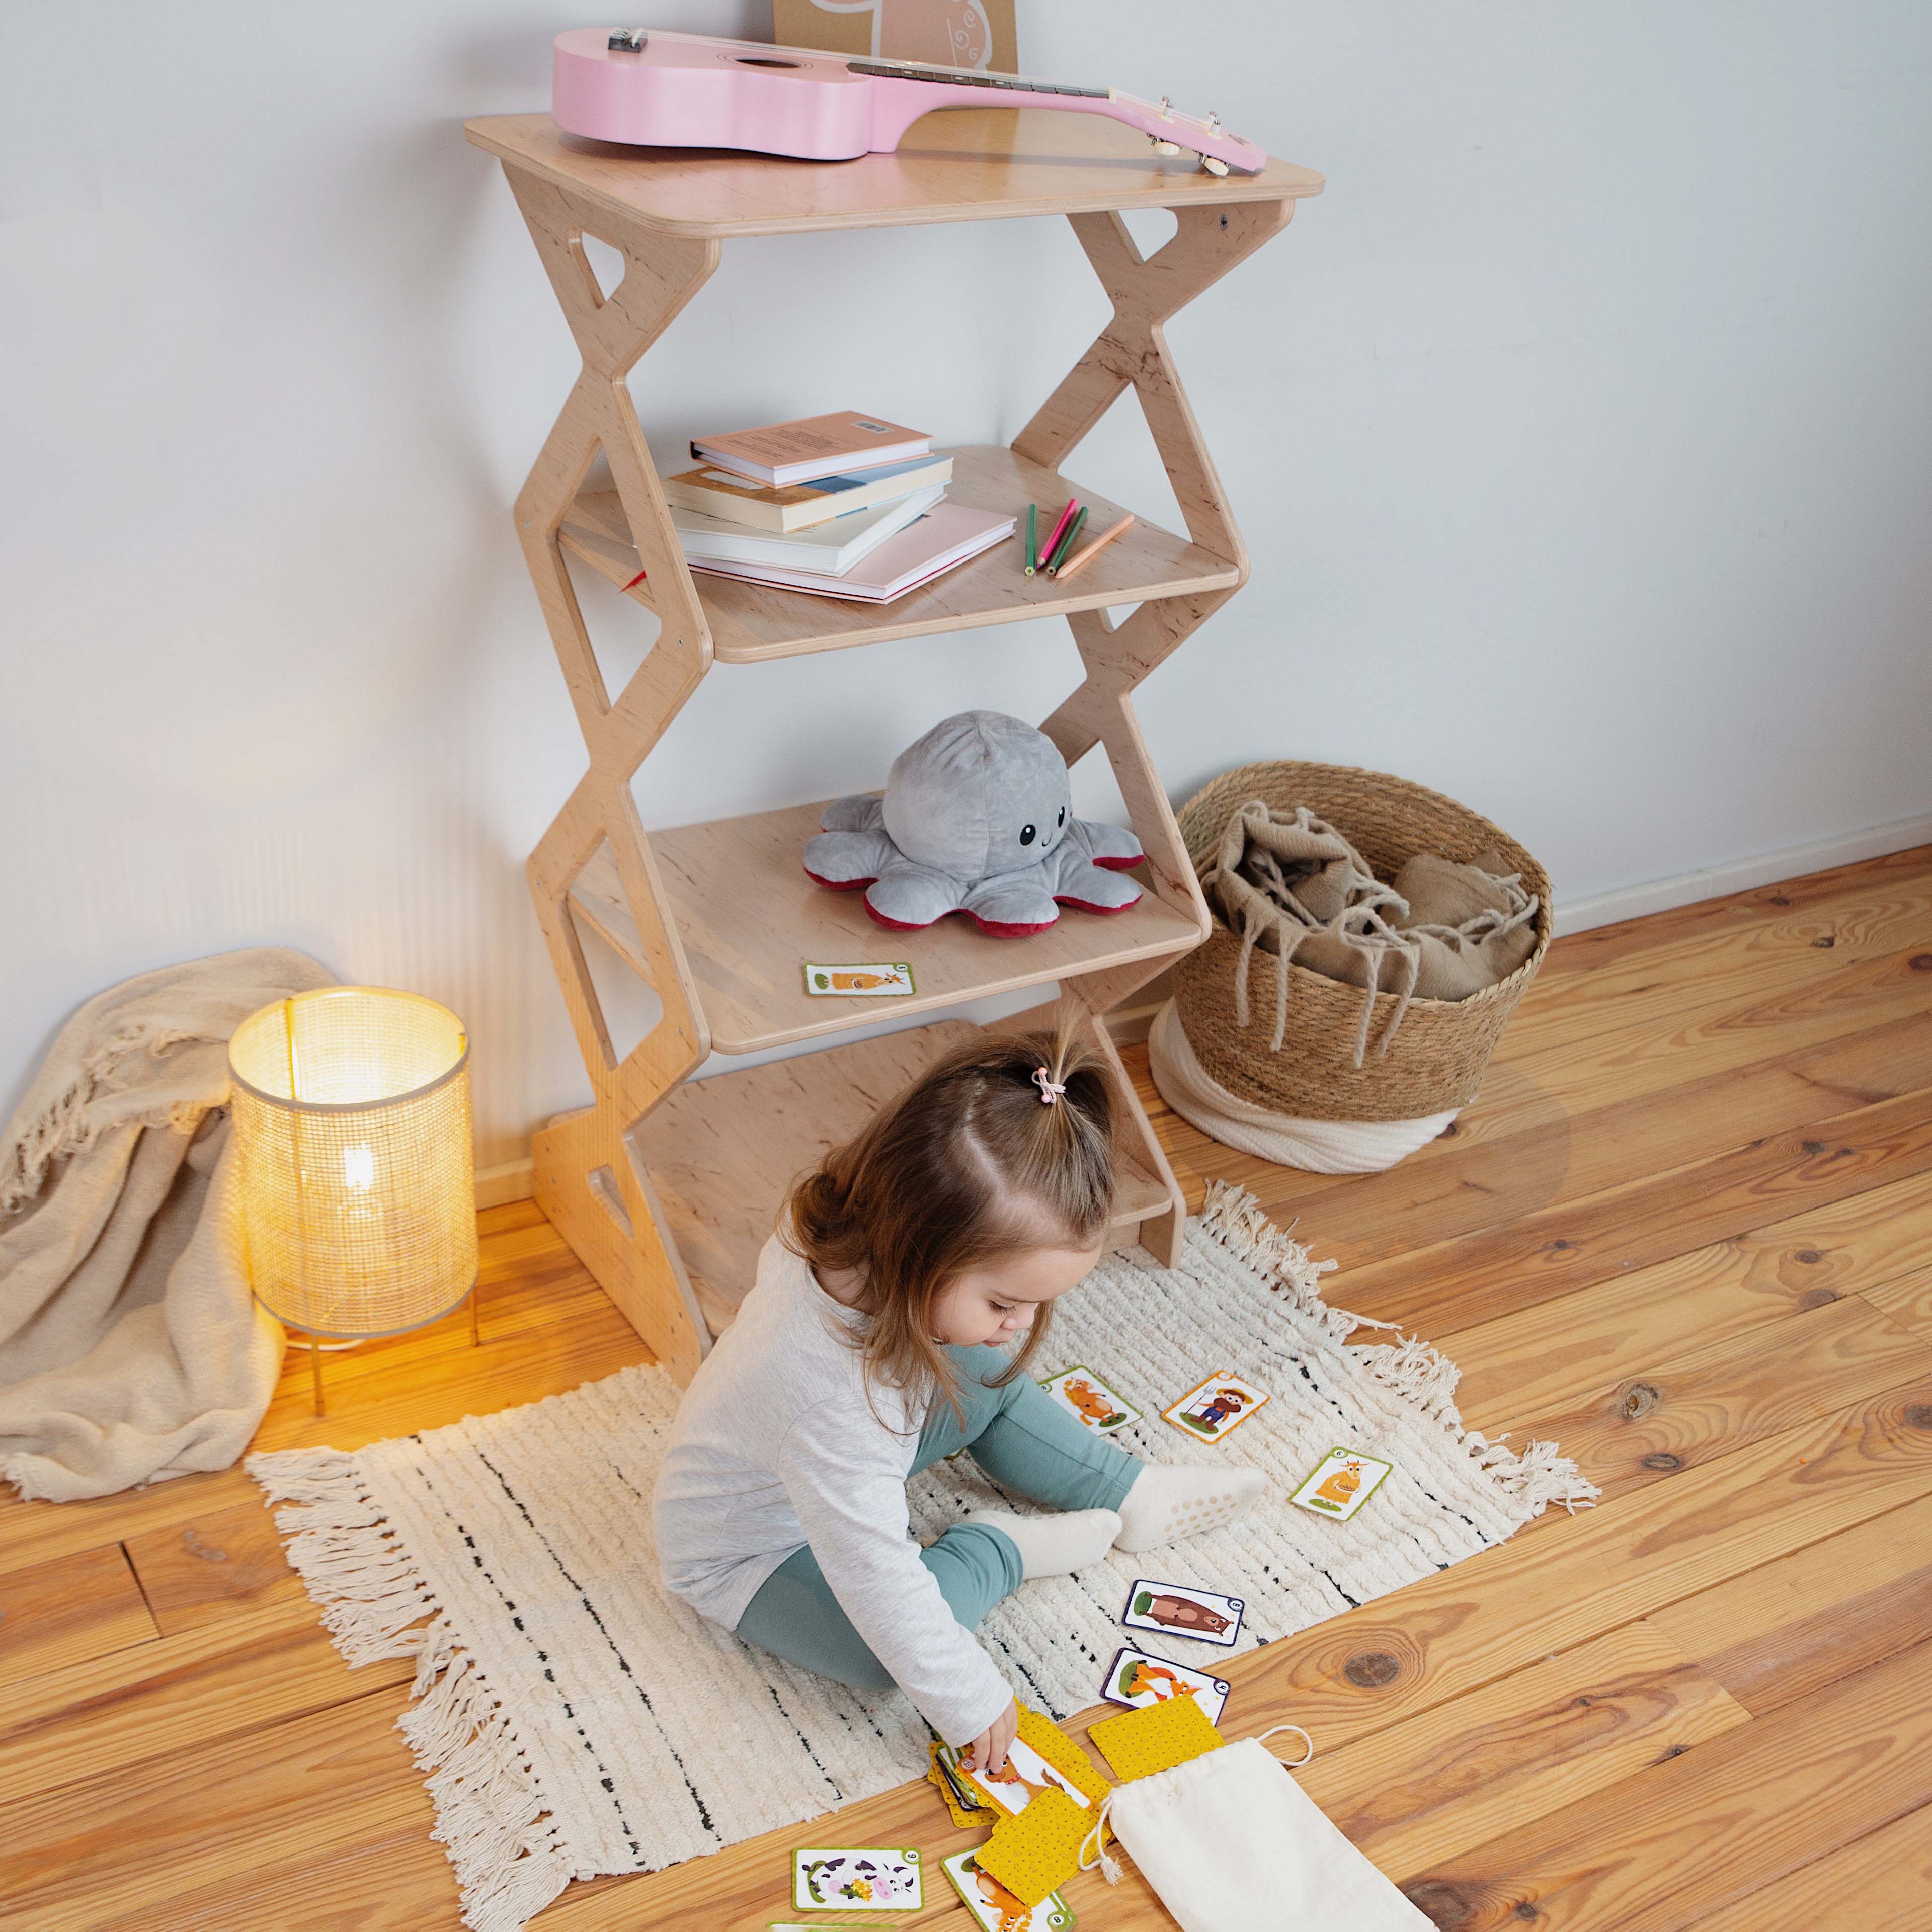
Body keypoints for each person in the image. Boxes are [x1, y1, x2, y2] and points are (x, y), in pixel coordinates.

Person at [653, 1029, 1265, 1775]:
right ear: (918, 1246)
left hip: (839, 1444)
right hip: (748, 1553)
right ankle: (997, 1549)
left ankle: (1126, 1487)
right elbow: (875, 1572)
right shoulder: (833, 1406)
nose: (1023, 1323)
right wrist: (969, 1695)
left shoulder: (848, 1224)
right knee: (884, 1655)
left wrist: (979, 1324)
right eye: (1007, 1300)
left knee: (980, 1370)